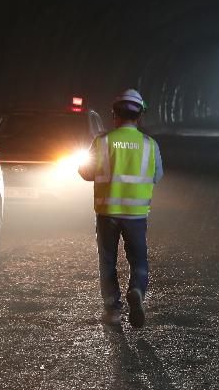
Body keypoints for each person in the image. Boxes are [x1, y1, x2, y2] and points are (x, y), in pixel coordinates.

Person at [79, 88, 163, 327]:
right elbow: (157, 175)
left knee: (107, 260)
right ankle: (136, 289)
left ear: (114, 115)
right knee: (138, 259)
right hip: (136, 215)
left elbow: (85, 173)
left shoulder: (102, 141)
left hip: (107, 213)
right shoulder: (150, 145)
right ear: (139, 116)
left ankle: (113, 310)